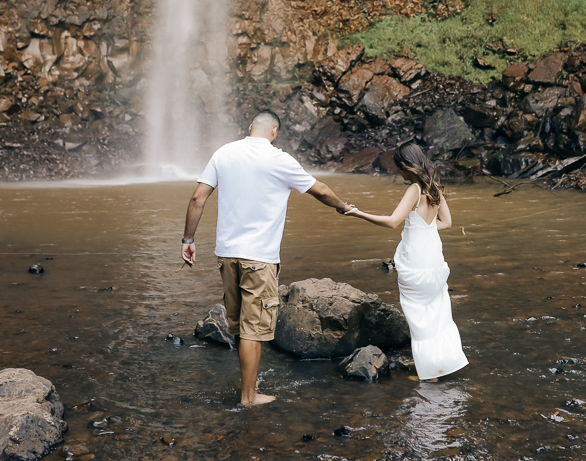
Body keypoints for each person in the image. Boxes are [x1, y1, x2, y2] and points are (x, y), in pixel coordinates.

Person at [181, 109, 352, 406]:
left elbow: (197, 197)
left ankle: (248, 382)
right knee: (254, 329)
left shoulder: (223, 153)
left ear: (250, 128)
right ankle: (249, 396)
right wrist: (342, 207)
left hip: (227, 255)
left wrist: (188, 240)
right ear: (274, 131)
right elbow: (320, 190)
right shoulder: (279, 159)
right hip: (259, 258)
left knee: (237, 325)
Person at [345, 142, 468, 381]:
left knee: (418, 316)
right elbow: (447, 222)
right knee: (436, 312)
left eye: (398, 167)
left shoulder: (414, 189)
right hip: (434, 259)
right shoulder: (434, 188)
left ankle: (430, 373)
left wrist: (358, 213)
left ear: (405, 165)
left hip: (416, 262)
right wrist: (422, 229)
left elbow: (392, 221)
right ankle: (440, 364)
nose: (398, 172)